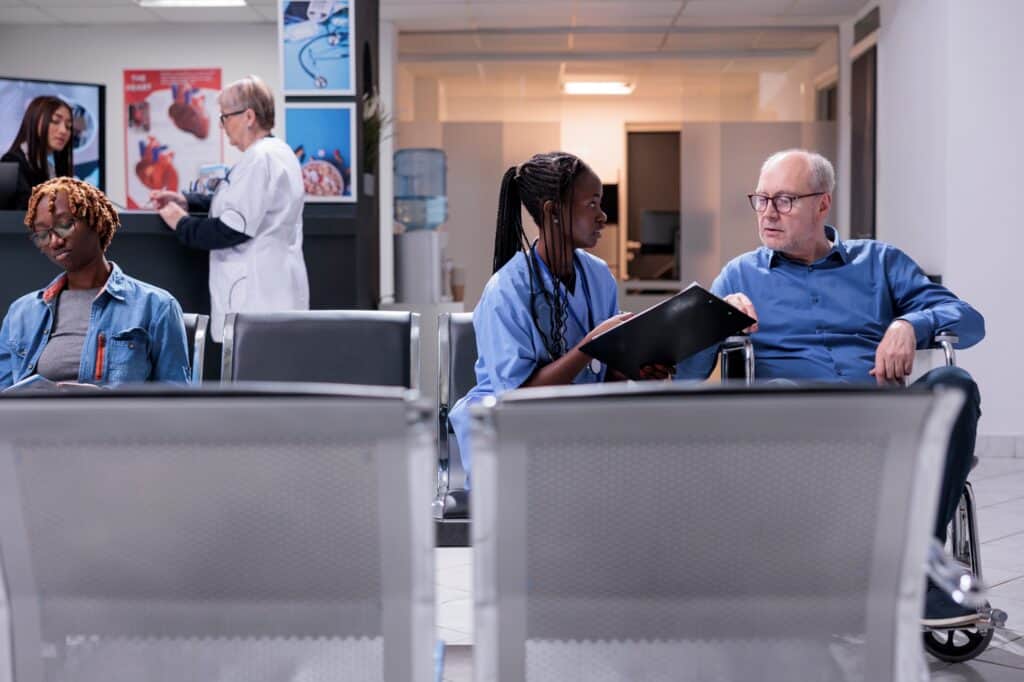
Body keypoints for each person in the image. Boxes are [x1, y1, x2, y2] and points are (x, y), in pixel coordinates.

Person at [675, 149, 985, 627]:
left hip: (884, 418)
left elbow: (970, 320)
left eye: (784, 200)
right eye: (760, 199)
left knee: (955, 383)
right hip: (794, 429)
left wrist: (909, 323)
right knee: (774, 394)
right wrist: (714, 316)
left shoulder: (879, 262)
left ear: (823, 204)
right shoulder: (740, 275)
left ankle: (917, 568)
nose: (767, 213)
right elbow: (686, 378)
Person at [448, 152, 671, 478]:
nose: (602, 216)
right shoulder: (506, 291)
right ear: (554, 211)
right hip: (510, 435)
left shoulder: (598, 276)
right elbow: (518, 400)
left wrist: (637, 368)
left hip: (576, 425)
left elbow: (603, 375)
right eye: (592, 204)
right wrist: (592, 343)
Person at [148, 75, 308, 341]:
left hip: (257, 298)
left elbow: (230, 229)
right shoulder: (275, 152)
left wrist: (181, 222)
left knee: (254, 377)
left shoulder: (260, 158)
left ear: (248, 116)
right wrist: (187, 202)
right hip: (273, 291)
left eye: (225, 117)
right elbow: (240, 201)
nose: (222, 125)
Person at [0, 177, 191, 388]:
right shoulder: (21, 313)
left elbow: (175, 402)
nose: (55, 241)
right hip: (36, 421)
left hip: (114, 421)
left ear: (96, 223)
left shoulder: (156, 306)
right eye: (43, 234)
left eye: (65, 225)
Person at [1, 95, 74, 211]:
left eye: (68, 126)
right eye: (55, 121)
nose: (63, 130)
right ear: (35, 121)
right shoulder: (11, 162)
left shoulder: (53, 170)